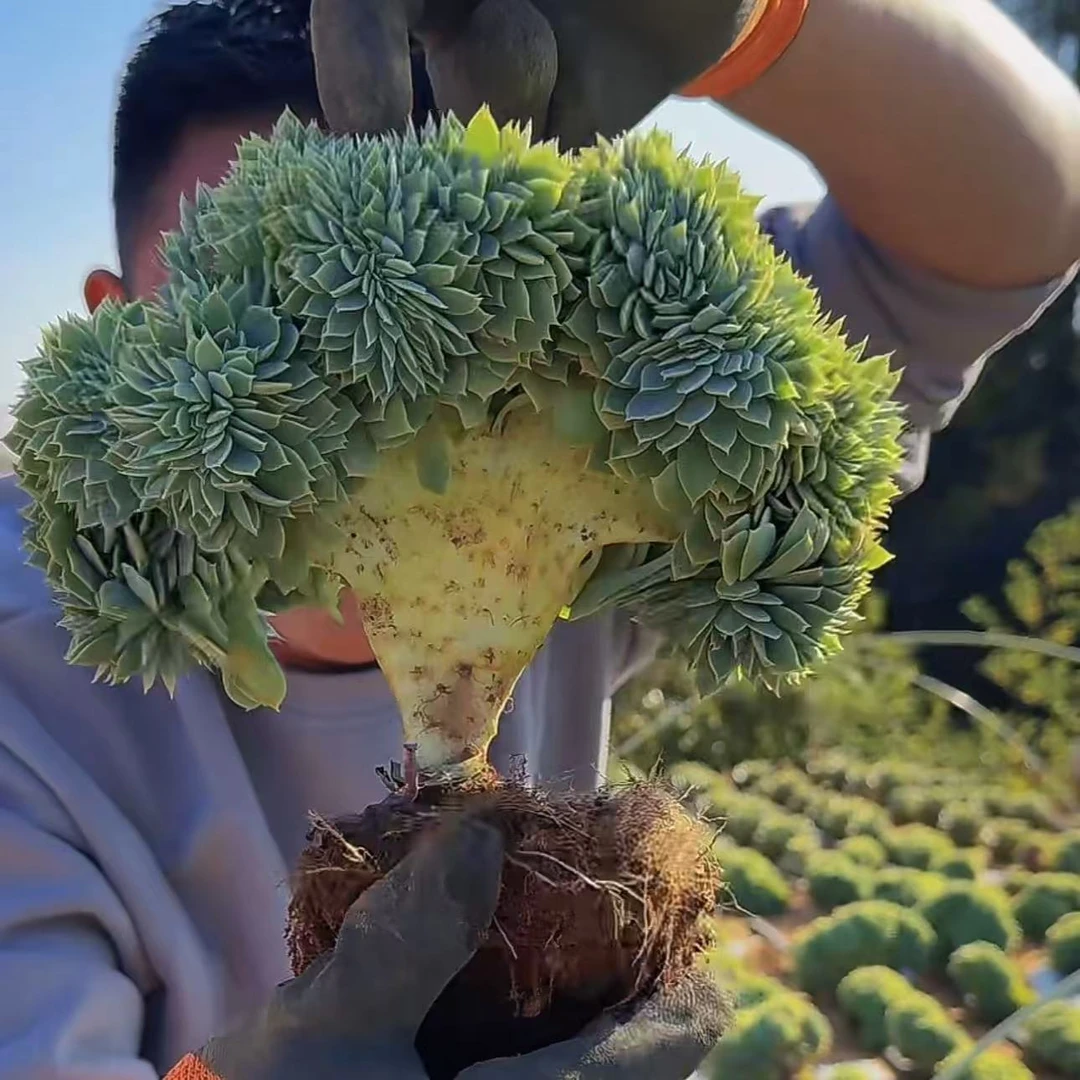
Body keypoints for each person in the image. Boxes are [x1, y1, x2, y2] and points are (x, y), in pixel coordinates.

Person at [1, 0, 1078, 1077]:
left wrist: (762, 17)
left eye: (439, 295)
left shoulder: (613, 418)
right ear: (113, 325)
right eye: (254, 309)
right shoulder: (24, 705)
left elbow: (1018, 219)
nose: (366, 382)